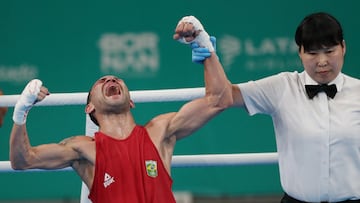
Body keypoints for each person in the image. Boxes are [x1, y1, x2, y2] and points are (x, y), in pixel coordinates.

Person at [9, 16, 233, 203]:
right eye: (102, 81)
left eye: (116, 79)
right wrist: (21, 113)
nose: (111, 79)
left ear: (131, 101)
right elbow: (23, 160)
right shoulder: (82, 149)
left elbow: (220, 100)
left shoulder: (160, 130)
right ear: (90, 107)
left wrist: (205, 47)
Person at [183, 12, 360, 203]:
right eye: (313, 53)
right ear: (300, 52)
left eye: (330, 51)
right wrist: (208, 52)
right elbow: (223, 97)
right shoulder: (282, 87)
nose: (322, 61)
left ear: (343, 47)